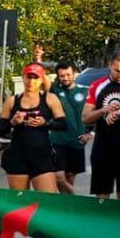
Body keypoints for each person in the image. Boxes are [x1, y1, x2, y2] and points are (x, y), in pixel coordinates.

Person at [0, 63, 65, 193]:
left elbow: (63, 124)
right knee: (19, 203)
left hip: (42, 156)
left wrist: (45, 123)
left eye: (35, 78)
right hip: (17, 157)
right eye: (28, 77)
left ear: (41, 80)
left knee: (47, 201)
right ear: (23, 78)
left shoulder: (50, 99)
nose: (31, 81)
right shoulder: (12, 101)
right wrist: (13, 122)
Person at [82, 51, 120, 199]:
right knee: (102, 193)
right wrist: (103, 110)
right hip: (103, 144)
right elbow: (85, 118)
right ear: (110, 66)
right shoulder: (98, 85)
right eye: (117, 70)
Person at [47, 62, 89, 195]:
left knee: (70, 178)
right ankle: (77, 200)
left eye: (68, 75)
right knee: (59, 177)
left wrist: (90, 133)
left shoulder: (85, 91)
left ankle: (67, 207)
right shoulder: (55, 90)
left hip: (77, 141)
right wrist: (38, 59)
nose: (65, 78)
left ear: (75, 74)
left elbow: (94, 114)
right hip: (58, 140)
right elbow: (42, 78)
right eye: (61, 76)